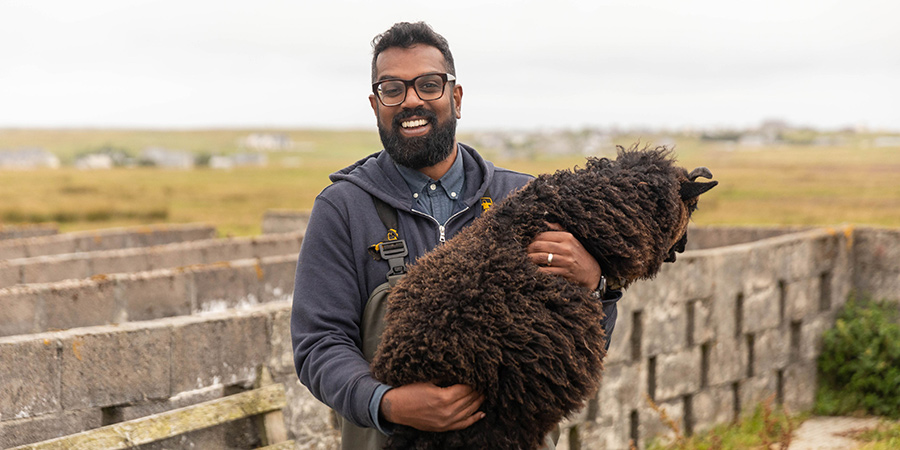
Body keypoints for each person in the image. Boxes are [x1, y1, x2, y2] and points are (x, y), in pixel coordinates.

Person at [291, 21, 622, 449]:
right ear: (375, 105)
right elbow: (319, 345)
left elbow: (580, 345)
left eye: (429, 84)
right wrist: (386, 402)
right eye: (392, 89)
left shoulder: (525, 199)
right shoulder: (343, 209)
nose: (411, 100)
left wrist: (596, 286)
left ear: (456, 97)